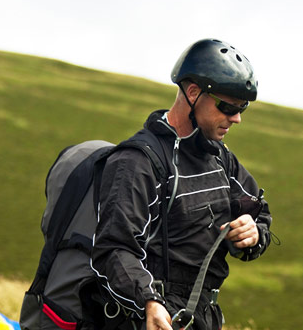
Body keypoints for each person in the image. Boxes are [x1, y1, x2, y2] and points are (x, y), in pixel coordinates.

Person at [90, 38, 272, 330]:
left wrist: (252, 233)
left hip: (203, 316)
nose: (236, 118)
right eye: (227, 106)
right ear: (192, 92)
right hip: (146, 320)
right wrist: (149, 302)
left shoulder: (219, 157)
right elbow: (114, 249)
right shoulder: (138, 162)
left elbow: (259, 212)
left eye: (242, 108)